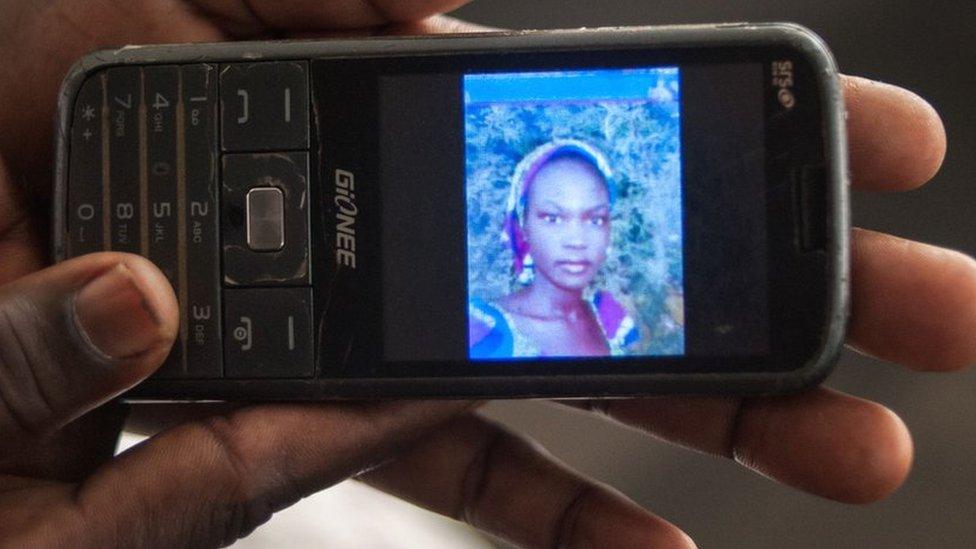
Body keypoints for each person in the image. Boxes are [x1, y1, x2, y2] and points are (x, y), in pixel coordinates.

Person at [0, 2, 968, 548]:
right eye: (555, 213)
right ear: (519, 224)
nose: (577, 238)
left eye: (593, 216)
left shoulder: (629, 328)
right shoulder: (486, 326)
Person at [469, 140, 641, 358]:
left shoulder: (612, 321)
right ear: (523, 227)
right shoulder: (483, 332)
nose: (577, 241)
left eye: (595, 219)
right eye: (553, 218)